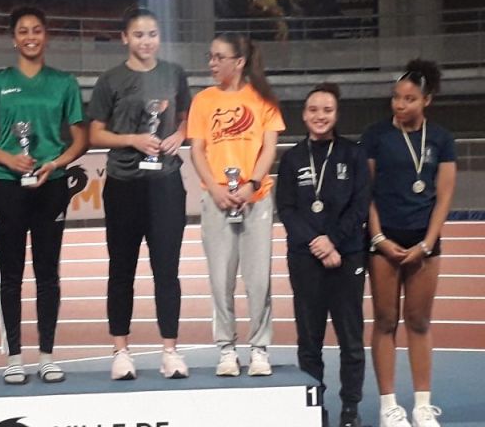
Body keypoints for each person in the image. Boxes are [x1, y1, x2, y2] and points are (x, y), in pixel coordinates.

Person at [0, 6, 88, 385]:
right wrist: (10, 159)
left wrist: (56, 163)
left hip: (50, 186)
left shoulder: (64, 83)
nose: (30, 37)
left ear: (46, 35)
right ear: (13, 39)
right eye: (23, 31)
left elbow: (80, 139)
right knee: (11, 274)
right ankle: (14, 358)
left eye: (37, 30)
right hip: (6, 185)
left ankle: (47, 356)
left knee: (47, 273)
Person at [87, 7, 190, 380]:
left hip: (166, 184)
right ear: (124, 38)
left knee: (167, 271)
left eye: (152, 34)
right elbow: (95, 134)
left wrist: (180, 134)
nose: (146, 41)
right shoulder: (110, 79)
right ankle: (121, 351)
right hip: (124, 184)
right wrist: (132, 139)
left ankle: (170, 351)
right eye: (139, 34)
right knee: (122, 270)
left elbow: (187, 117)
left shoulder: (174, 74)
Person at [361, 59, 456, 427]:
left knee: (418, 321)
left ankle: (422, 405)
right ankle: (388, 407)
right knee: (385, 321)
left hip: (424, 242)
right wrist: (379, 238)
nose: (400, 105)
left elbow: (444, 197)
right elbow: (366, 192)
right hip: (383, 240)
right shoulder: (375, 135)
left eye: (409, 99)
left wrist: (428, 244)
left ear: (426, 100)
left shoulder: (441, 139)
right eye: (396, 98)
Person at [188, 32, 285, 376]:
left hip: (256, 200)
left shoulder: (263, 99)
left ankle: (259, 348)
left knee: (258, 280)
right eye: (210, 56)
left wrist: (252, 184)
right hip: (217, 200)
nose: (212, 63)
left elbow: (269, 148)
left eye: (219, 57)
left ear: (239, 62)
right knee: (220, 279)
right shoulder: (203, 101)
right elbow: (197, 150)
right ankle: (226, 349)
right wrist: (216, 189)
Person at [276, 83, 369, 427]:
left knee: (351, 341)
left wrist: (332, 241)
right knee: (309, 342)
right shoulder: (292, 159)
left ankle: (350, 410)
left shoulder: (353, 154)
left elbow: (360, 205)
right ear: (304, 115)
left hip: (347, 256)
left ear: (336, 114)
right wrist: (316, 242)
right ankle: (315, 409)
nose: (320, 116)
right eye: (313, 109)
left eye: (327, 110)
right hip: (305, 259)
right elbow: (286, 209)